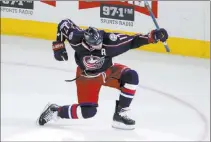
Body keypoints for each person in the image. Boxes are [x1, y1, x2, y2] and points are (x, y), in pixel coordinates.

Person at [37, 19, 168, 130]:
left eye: (100, 42)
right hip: (86, 77)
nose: (99, 46)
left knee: (131, 76)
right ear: (86, 42)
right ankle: (56, 111)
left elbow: (133, 40)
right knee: (88, 112)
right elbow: (63, 24)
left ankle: (120, 115)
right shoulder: (76, 38)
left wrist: (152, 36)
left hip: (108, 71)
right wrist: (58, 45)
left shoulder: (111, 42)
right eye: (95, 44)